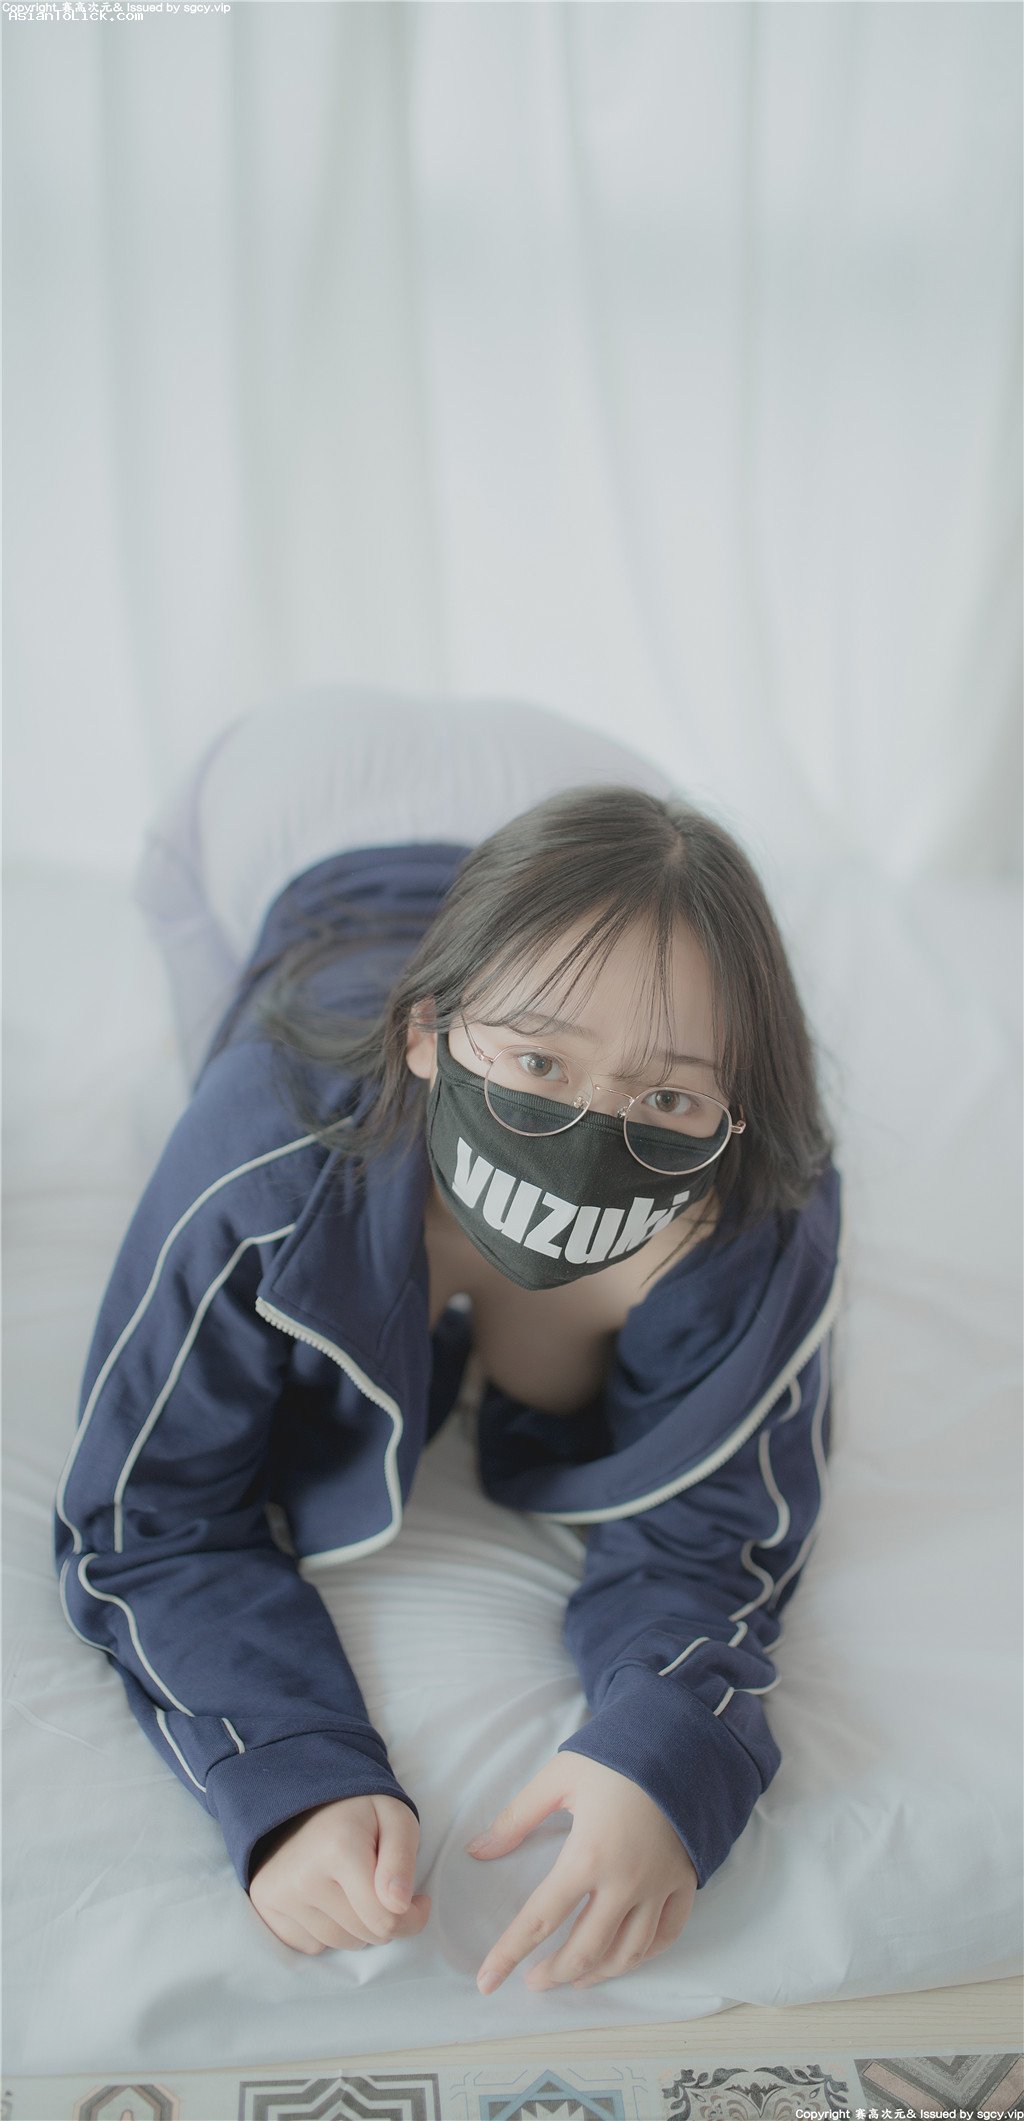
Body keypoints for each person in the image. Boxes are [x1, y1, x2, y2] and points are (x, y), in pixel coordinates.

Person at [53, 783, 841, 1996]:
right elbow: (144, 1515)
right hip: (303, 815)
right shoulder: (267, 1161)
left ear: (732, 1110)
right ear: (424, 1034)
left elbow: (714, 1541)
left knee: (644, 944)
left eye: (668, 1097)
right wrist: (288, 1766)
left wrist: (666, 1747)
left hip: (594, 833)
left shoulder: (755, 1212)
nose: (589, 1134)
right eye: (535, 1063)